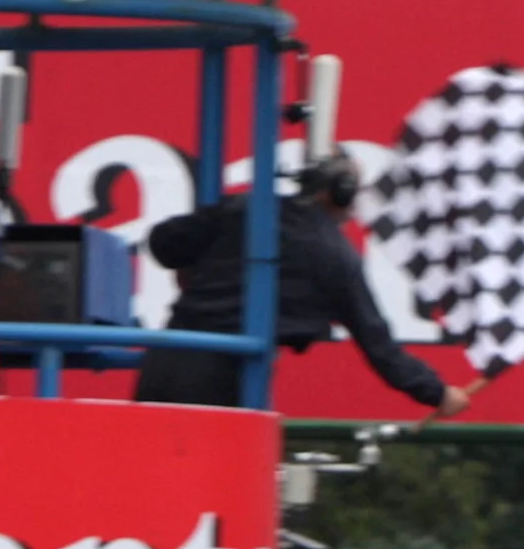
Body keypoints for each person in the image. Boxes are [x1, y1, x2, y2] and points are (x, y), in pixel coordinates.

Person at [138, 157, 475, 416]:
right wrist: (439, 394)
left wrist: (194, 266)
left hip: (164, 362)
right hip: (228, 384)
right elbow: (382, 350)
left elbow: (162, 243)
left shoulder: (244, 208)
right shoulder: (337, 259)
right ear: (343, 193)